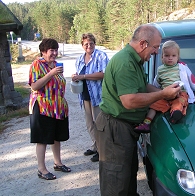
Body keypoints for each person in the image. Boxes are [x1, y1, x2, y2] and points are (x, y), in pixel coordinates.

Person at [95, 25, 181, 196]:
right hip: (115, 129)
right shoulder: (125, 62)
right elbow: (129, 100)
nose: (157, 52)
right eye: (155, 47)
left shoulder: (135, 60)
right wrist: (163, 94)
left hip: (123, 129)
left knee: (126, 178)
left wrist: (169, 95)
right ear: (143, 43)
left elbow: (142, 87)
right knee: (116, 184)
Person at [135, 40, 195, 131]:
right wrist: (156, 94)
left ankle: (175, 116)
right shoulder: (160, 70)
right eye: (167, 55)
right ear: (162, 57)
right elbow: (156, 83)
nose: (170, 58)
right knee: (154, 106)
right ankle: (146, 123)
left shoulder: (182, 67)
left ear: (178, 57)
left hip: (180, 93)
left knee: (179, 103)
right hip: (165, 95)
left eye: (173, 56)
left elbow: (192, 79)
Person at [29, 38, 70, 180]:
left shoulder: (56, 64)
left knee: (57, 136)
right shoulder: (37, 64)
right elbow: (34, 86)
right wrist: (51, 73)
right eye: (51, 50)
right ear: (43, 52)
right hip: (42, 107)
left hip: (57, 107)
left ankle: (57, 163)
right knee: (42, 138)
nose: (54, 53)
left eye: (55, 50)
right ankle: (41, 169)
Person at [71, 33, 109, 162]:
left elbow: (103, 74)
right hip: (85, 95)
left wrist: (83, 76)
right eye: (86, 44)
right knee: (89, 124)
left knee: (99, 124)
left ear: (95, 43)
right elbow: (80, 75)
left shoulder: (101, 56)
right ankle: (95, 146)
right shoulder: (80, 59)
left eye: (91, 43)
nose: (89, 46)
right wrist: (76, 77)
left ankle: (102, 150)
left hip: (98, 95)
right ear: (82, 45)